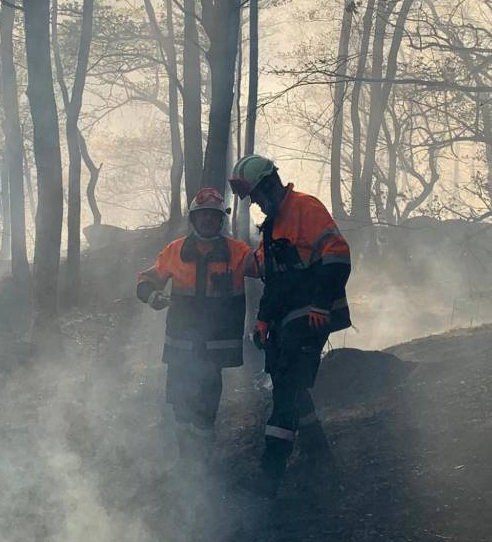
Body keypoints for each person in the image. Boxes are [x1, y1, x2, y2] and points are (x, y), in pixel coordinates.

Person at [229, 154, 351, 497]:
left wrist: (320, 303)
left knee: (286, 386)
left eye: (255, 194)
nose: (254, 202)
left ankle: (270, 473)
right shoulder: (272, 228)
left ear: (269, 185)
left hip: (311, 313)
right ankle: (319, 457)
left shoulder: (305, 208)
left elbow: (338, 255)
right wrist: (264, 319)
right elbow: (275, 282)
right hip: (288, 316)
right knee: (288, 380)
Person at [136, 187, 259, 463]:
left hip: (215, 350)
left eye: (213, 216)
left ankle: (201, 462)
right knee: (180, 405)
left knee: (206, 409)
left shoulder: (237, 252)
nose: (207, 220)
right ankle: (185, 460)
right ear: (193, 218)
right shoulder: (175, 250)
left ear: (220, 220)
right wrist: (152, 295)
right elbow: (146, 280)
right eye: (202, 215)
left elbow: (264, 268)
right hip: (181, 345)